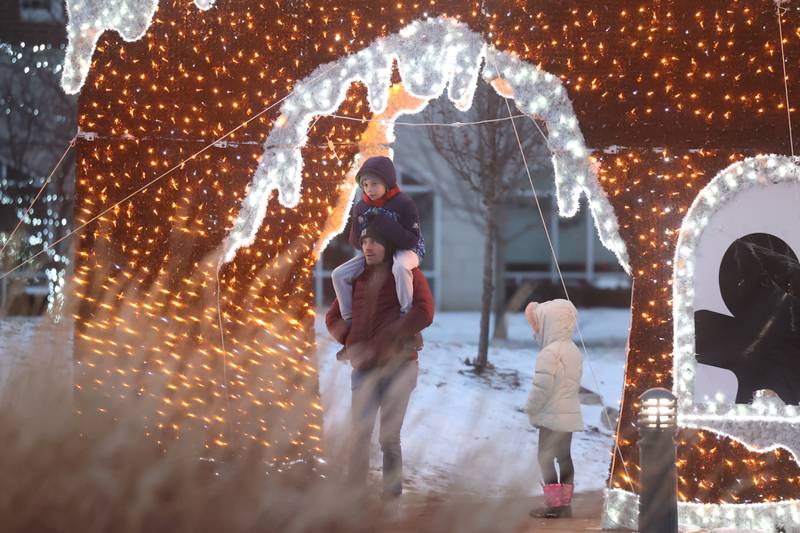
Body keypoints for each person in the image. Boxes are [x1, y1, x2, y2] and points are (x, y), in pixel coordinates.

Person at [326, 223, 434, 499]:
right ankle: (354, 499)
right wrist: (351, 341)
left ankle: (391, 500)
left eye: (374, 242)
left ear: (388, 246)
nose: (368, 247)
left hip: (400, 367)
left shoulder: (408, 275)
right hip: (363, 371)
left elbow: (424, 311)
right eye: (364, 242)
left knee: (388, 439)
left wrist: (393, 336)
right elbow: (333, 317)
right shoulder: (356, 279)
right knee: (359, 436)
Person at [331, 155, 425, 324]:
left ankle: (406, 313)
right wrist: (359, 227)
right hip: (377, 250)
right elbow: (355, 243)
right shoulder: (361, 206)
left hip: (407, 249)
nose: (369, 189)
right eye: (365, 185)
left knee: (401, 268)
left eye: (374, 183)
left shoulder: (404, 203)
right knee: (338, 274)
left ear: (387, 182)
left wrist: (385, 223)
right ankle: (349, 318)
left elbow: (412, 240)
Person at [525, 299, 584, 519]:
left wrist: (530, 407)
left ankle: (553, 505)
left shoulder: (549, 353)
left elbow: (542, 387)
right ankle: (565, 505)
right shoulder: (573, 350)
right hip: (568, 413)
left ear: (550, 323)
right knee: (564, 457)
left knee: (545, 457)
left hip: (551, 416)